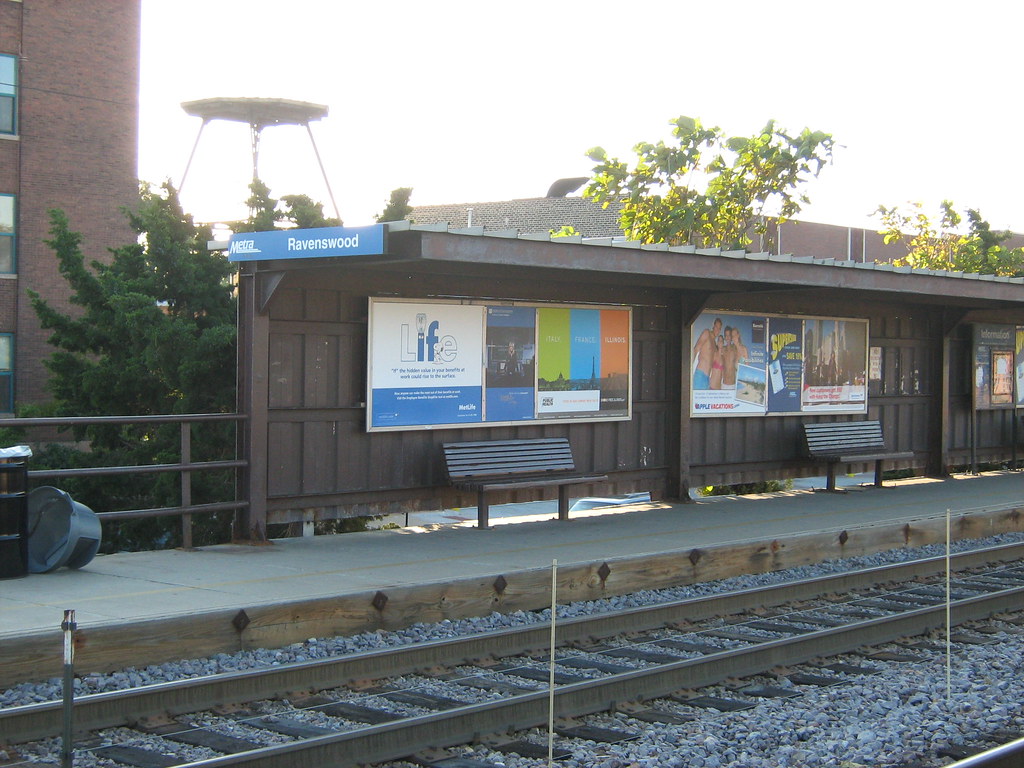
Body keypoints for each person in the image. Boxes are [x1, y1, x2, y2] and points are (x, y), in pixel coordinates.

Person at [692, 317, 722, 389]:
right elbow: (696, 349)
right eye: (716, 327)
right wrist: (689, 368)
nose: (717, 330)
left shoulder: (715, 345)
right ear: (713, 326)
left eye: (719, 328)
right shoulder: (707, 333)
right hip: (700, 375)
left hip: (708, 379)